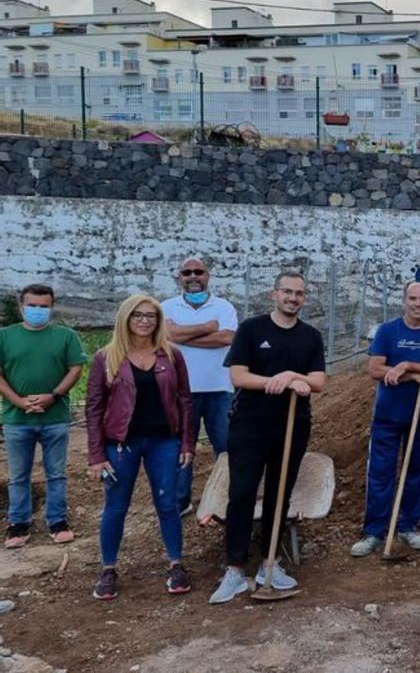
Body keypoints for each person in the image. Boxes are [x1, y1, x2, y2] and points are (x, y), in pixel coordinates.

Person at [209, 271, 326, 604]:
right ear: (274, 294)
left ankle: (269, 565)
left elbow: (318, 381)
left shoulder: (310, 336)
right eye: (287, 292)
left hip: (292, 424)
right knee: (242, 493)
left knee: (280, 494)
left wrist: (292, 376)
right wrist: (280, 381)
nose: (293, 298)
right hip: (249, 424)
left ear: (304, 298)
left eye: (299, 293)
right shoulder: (251, 329)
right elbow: (238, 375)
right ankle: (234, 570)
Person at [85, 294, 194, 599]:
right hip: (121, 445)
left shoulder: (171, 356)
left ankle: (176, 564)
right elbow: (94, 408)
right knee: (116, 506)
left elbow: (185, 400)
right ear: (125, 318)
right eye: (137, 315)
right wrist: (96, 456)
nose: (144, 320)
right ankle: (108, 569)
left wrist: (187, 442)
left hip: (164, 442)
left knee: (167, 504)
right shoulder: (106, 358)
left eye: (151, 315)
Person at [351, 281, 420, 557]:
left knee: (415, 471)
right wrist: (415, 376)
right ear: (404, 300)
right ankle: (374, 531)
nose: (418, 304)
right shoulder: (387, 331)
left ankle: (407, 526)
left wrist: (407, 365)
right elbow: (375, 368)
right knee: (380, 472)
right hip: (387, 415)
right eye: (413, 298)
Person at [0, 284, 86, 549]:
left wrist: (53, 396)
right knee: (18, 475)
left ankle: (57, 521)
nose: (38, 311)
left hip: (55, 417)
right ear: (21, 306)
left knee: (56, 473)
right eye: (32, 306)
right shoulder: (5, 336)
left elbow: (75, 369)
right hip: (17, 419)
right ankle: (18, 524)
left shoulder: (66, 336)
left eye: (43, 306)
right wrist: (20, 401)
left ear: (51, 306)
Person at [162, 257, 238, 515]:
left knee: (226, 447)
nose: (193, 276)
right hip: (181, 391)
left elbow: (227, 338)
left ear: (208, 276)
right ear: (179, 277)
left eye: (198, 272)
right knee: (182, 448)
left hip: (220, 390)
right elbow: (165, 336)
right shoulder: (166, 307)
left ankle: (226, 497)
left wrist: (180, 335)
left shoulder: (224, 306)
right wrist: (206, 328)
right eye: (187, 272)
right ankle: (180, 501)